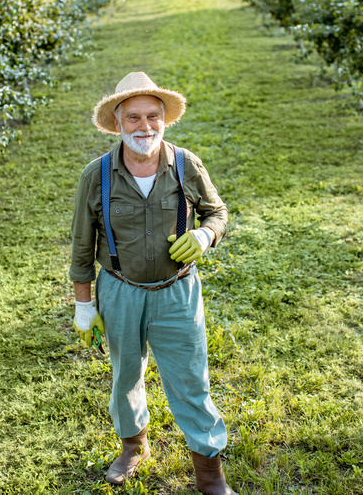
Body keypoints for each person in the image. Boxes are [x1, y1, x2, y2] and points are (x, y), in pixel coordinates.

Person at [69, 72, 237, 495]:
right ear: (118, 122)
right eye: (134, 118)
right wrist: (84, 304)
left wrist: (204, 235)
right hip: (120, 290)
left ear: (164, 120)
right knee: (125, 373)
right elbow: (81, 245)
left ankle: (210, 474)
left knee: (191, 379)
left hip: (176, 291)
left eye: (152, 117)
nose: (144, 126)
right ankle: (133, 445)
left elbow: (217, 213)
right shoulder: (98, 175)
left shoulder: (185, 164)